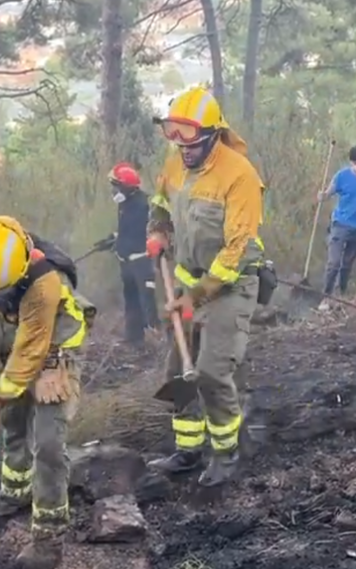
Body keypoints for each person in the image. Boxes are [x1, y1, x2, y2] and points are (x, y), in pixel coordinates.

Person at [0, 215, 94, 569]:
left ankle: (48, 537)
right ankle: (15, 494)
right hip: (15, 348)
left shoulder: (44, 284)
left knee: (48, 442)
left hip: (52, 353)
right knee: (13, 421)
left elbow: (26, 361)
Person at [145, 85, 264, 488]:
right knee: (179, 371)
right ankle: (188, 450)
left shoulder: (239, 175)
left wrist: (194, 297)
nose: (180, 144)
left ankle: (227, 453)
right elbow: (160, 203)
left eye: (188, 134)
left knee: (212, 373)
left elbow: (235, 253)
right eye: (172, 132)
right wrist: (157, 231)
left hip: (231, 285)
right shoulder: (176, 165)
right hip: (188, 286)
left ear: (212, 133)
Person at [92, 162, 160, 345]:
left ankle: (158, 340)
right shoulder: (126, 204)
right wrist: (112, 239)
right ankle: (133, 338)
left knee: (147, 302)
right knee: (131, 300)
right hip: (127, 262)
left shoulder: (141, 206)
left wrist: (121, 243)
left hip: (140, 261)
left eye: (116, 185)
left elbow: (141, 233)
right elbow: (126, 229)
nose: (114, 190)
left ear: (127, 187)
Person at [315, 146, 356, 310]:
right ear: (351, 162)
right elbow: (328, 193)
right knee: (334, 263)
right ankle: (326, 296)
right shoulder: (342, 176)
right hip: (340, 224)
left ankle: (341, 296)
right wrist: (322, 196)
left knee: (347, 264)